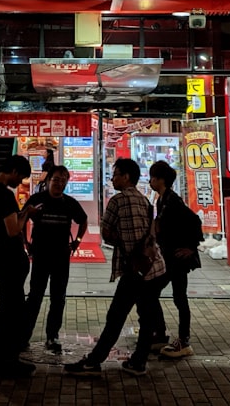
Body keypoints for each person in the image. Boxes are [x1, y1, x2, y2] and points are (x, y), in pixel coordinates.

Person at [65, 158, 166, 377]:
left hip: (134, 270)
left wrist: (121, 239)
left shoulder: (117, 202)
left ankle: (93, 362)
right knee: (146, 318)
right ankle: (138, 362)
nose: (113, 179)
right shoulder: (145, 201)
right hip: (154, 268)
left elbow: (107, 234)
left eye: (116, 174)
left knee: (116, 317)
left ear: (126, 177)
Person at [0, 155, 38, 378]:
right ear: (13, 171)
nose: (20, 181)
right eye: (21, 176)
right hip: (8, 260)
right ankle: (5, 361)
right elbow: (13, 229)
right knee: (11, 312)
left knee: (7, 310)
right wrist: (27, 214)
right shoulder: (3, 194)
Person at [21, 165, 88, 353]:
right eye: (56, 179)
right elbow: (22, 218)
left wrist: (77, 241)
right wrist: (25, 242)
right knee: (35, 296)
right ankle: (24, 336)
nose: (60, 183)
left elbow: (83, 220)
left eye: (63, 180)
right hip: (40, 255)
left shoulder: (70, 203)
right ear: (48, 180)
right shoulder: (37, 199)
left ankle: (52, 336)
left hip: (61, 256)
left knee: (58, 298)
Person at [147, 160, 203, 359]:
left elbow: (194, 220)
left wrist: (191, 247)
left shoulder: (172, 200)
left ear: (160, 179)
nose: (149, 181)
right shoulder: (162, 199)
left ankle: (183, 342)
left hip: (177, 259)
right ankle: (162, 335)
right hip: (169, 257)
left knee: (175, 297)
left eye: (152, 177)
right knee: (158, 293)